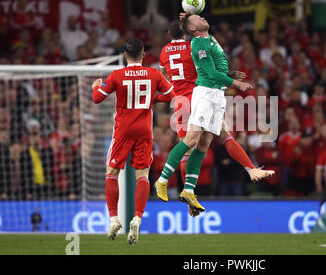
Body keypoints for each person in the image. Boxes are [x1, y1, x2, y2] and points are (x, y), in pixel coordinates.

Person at [154, 13, 274, 213]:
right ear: (187, 31)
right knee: (197, 142)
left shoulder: (165, 52)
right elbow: (205, 70)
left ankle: (189, 191)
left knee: (199, 144)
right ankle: (166, 181)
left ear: (168, 34)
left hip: (181, 100)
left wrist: (162, 98)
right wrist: (231, 80)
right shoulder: (192, 45)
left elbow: (165, 78)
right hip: (198, 96)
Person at [91, 37, 175, 244]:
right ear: (143, 55)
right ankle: (137, 217)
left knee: (112, 172)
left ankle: (113, 218)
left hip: (122, 130)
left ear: (125, 55)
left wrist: (96, 86)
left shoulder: (117, 75)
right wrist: (153, 98)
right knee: (143, 175)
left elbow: (97, 98)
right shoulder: (153, 74)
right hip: (144, 131)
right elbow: (172, 94)